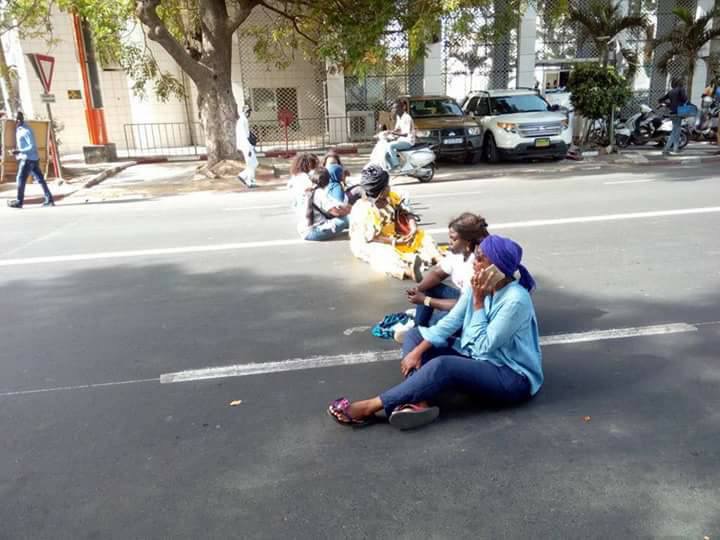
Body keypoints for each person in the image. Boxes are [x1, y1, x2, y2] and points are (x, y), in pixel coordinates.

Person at [328, 234, 543, 430]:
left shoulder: (515, 300)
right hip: (477, 357)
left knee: (444, 366)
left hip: (510, 376)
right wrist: (418, 350)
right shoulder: (476, 285)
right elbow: (451, 321)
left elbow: (484, 345)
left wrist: (478, 302)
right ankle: (416, 400)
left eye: (480, 259)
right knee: (416, 336)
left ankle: (370, 406)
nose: (474, 263)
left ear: (496, 269)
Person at [397, 213, 489, 343]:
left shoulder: (477, 264)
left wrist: (426, 300)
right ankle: (418, 329)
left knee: (438, 322)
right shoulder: (457, 253)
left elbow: (464, 305)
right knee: (428, 288)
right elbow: (438, 274)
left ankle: (422, 333)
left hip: (475, 309)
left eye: (453, 239)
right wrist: (418, 289)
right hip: (464, 299)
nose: (449, 242)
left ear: (468, 241)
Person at [349, 165, 440, 280]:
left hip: (395, 235)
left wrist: (412, 228)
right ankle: (407, 271)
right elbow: (371, 237)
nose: (389, 187)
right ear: (381, 192)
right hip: (372, 242)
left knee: (423, 236)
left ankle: (438, 259)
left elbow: (407, 212)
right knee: (383, 254)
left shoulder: (392, 197)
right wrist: (395, 242)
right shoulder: (362, 210)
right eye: (387, 186)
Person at [7, 111, 54, 208]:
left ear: (20, 120)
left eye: (17, 120)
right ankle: (49, 199)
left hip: (27, 159)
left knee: (20, 179)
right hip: (32, 159)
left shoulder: (26, 131)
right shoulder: (19, 129)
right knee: (40, 180)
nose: (15, 122)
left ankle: (19, 202)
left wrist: (19, 151)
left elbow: (32, 147)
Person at [299, 167, 352, 241]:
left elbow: (335, 203)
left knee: (347, 217)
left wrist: (346, 207)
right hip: (314, 231)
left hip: (304, 230)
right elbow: (335, 212)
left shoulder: (309, 191)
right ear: (327, 180)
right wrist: (351, 211)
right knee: (349, 218)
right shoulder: (319, 193)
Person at [660, 78, 688, 155]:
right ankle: (666, 148)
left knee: (676, 130)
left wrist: (668, 104)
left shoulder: (671, 91)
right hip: (679, 112)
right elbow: (685, 99)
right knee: (675, 131)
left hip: (672, 112)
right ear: (680, 83)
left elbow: (660, 100)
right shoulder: (681, 89)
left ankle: (675, 148)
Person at [288, 153, 319, 217]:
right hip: (312, 216)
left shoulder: (294, 178)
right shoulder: (305, 178)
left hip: (301, 214)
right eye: (315, 165)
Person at [386, 100, 416, 170]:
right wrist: (388, 132)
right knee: (386, 153)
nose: (394, 109)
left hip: (408, 141)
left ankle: (397, 166)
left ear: (403, 108)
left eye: (396, 108)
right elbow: (397, 129)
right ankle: (392, 167)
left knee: (391, 146)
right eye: (393, 108)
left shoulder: (407, 118)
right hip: (401, 140)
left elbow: (405, 134)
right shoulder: (399, 117)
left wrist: (393, 133)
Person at [236, 104, 258, 187]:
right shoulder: (243, 120)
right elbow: (244, 136)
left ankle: (243, 176)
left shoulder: (242, 120)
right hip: (246, 145)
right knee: (252, 163)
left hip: (246, 145)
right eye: (248, 112)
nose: (249, 114)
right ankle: (249, 181)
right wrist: (249, 148)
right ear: (246, 112)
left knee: (253, 163)